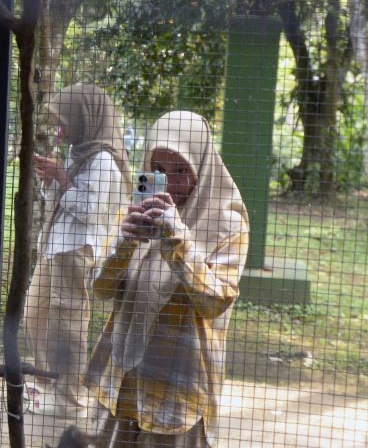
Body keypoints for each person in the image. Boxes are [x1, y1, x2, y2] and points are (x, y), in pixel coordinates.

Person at [85, 111, 249, 447]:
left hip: (178, 390)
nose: (169, 183)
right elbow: (100, 289)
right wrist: (125, 242)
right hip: (122, 381)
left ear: (202, 168)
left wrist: (178, 238)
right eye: (158, 169)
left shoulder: (228, 224)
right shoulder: (133, 210)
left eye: (181, 171)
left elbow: (215, 302)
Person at [24, 83, 133, 419]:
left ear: (85, 118)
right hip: (55, 246)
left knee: (68, 322)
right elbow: (58, 202)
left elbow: (90, 211)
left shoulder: (103, 159)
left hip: (77, 249)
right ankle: (46, 386)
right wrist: (51, 178)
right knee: (34, 315)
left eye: (65, 121)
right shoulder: (79, 152)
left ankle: (70, 401)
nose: (61, 129)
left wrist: (62, 177)